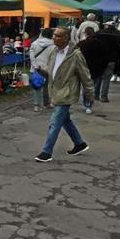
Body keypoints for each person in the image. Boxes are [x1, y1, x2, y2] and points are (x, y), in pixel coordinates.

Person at [34, 27, 92, 163]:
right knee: (65, 120)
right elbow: (51, 71)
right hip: (55, 91)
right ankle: (79, 143)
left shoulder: (76, 55)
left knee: (55, 122)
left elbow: (85, 75)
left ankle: (46, 152)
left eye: (58, 36)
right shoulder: (54, 51)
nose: (54, 38)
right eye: (54, 35)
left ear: (66, 38)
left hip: (67, 93)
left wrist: (89, 93)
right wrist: (42, 71)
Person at [77, 27, 108, 113]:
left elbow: (76, 58)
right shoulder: (101, 44)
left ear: (85, 33)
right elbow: (105, 57)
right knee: (93, 87)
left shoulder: (81, 44)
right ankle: (90, 104)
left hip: (84, 69)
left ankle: (87, 104)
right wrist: (102, 68)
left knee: (86, 88)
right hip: (97, 69)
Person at [29, 28, 55, 112]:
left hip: (36, 69)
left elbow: (31, 57)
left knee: (36, 87)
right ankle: (46, 103)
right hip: (47, 69)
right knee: (47, 86)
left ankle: (36, 105)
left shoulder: (34, 43)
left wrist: (35, 66)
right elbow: (53, 59)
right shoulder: (53, 46)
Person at [96, 21, 119, 101]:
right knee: (106, 78)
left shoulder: (99, 33)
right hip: (111, 59)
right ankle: (104, 97)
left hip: (100, 58)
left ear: (107, 25)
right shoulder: (117, 34)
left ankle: (96, 95)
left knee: (98, 77)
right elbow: (118, 46)